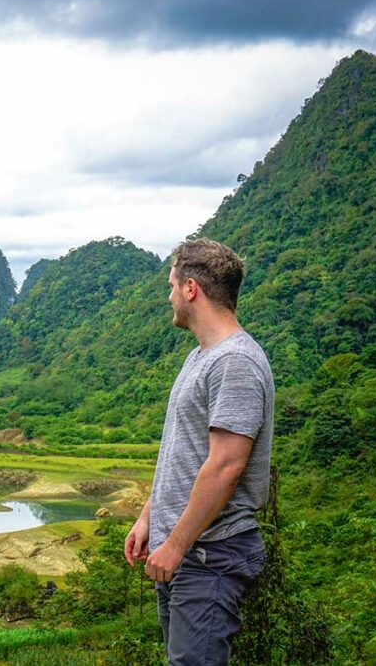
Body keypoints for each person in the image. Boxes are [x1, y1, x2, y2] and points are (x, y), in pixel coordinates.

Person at [124, 238, 273, 665]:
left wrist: (176, 544)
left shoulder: (235, 363)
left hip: (209, 554)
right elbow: (183, 452)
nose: (169, 296)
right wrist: (150, 517)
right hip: (186, 552)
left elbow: (226, 466)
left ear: (191, 289)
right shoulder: (201, 357)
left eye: (171, 285)